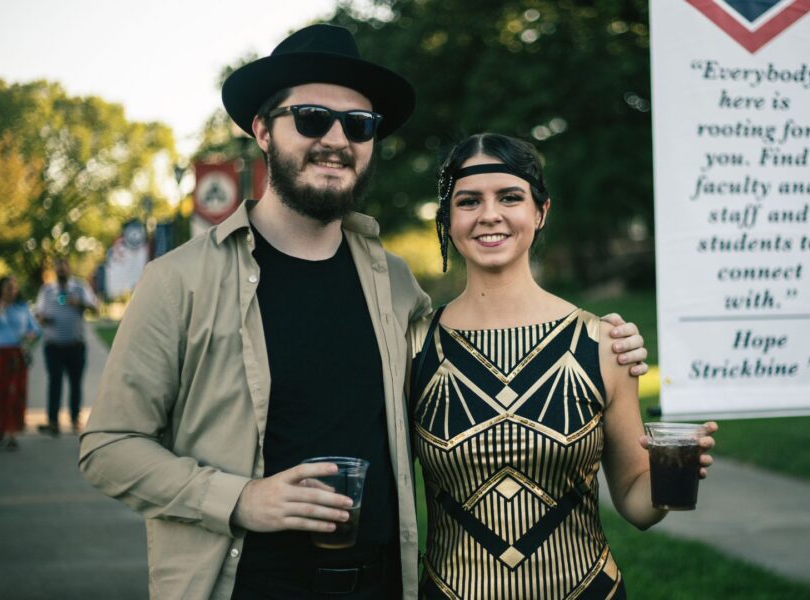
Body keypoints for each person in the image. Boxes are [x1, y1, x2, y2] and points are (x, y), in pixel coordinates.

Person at [79, 24, 648, 600]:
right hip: (245, 581)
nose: (335, 138)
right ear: (261, 130)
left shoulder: (395, 282)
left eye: (358, 125)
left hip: (381, 583)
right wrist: (241, 498)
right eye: (310, 118)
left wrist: (605, 344)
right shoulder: (179, 281)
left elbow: (478, 351)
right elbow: (109, 446)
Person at [409, 133, 718, 598]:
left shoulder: (603, 343)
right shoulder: (413, 346)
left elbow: (635, 502)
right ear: (448, 219)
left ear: (540, 211)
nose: (489, 215)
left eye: (510, 197)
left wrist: (670, 476)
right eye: (469, 201)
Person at [0, 276, 41, 450]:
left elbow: (35, 329)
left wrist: (30, 335)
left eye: (12, 288)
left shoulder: (22, 308)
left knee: (13, 395)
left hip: (15, 355)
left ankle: (11, 434)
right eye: (6, 288)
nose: (10, 291)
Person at [35, 256, 99, 435]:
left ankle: (74, 419)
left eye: (64, 266)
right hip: (53, 345)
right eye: (58, 267)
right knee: (54, 382)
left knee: (75, 383)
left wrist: (77, 302)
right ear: (55, 270)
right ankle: (53, 421)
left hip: (75, 345)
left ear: (69, 268)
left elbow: (95, 308)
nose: (61, 270)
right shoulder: (46, 290)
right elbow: (38, 313)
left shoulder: (80, 287)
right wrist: (43, 319)